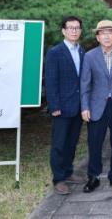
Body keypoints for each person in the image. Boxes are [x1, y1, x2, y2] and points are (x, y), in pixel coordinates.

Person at [80, 20, 112, 193]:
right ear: (97, 37)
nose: (107, 36)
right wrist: (85, 107)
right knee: (95, 143)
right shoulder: (90, 56)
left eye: (110, 33)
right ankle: (93, 177)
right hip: (96, 106)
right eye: (103, 33)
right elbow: (85, 83)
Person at [45, 16, 86, 195]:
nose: (74, 31)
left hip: (78, 106)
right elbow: (50, 81)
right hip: (61, 107)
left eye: (77, 28)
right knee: (59, 144)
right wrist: (54, 106)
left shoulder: (82, 51)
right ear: (63, 31)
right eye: (70, 28)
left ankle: (68, 171)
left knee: (72, 142)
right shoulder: (55, 52)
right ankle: (59, 178)